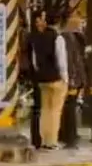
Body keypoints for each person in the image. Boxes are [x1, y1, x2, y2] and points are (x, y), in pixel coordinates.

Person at [31, 9, 68, 149]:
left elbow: (35, 61)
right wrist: (65, 78)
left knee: (45, 110)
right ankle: (52, 141)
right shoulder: (57, 38)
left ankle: (45, 139)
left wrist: (39, 72)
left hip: (42, 79)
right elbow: (61, 60)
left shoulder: (36, 38)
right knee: (55, 111)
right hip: (56, 78)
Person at [59, 13, 87, 149]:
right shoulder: (69, 38)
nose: (80, 24)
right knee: (69, 107)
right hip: (74, 78)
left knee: (70, 107)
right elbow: (73, 60)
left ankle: (69, 136)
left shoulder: (72, 38)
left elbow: (75, 59)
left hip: (74, 78)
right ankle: (69, 136)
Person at [26, 10, 47, 149]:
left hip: (40, 75)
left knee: (40, 107)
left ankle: (39, 138)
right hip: (39, 76)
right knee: (39, 107)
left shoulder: (38, 36)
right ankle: (37, 138)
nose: (44, 21)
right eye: (42, 18)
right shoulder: (34, 37)